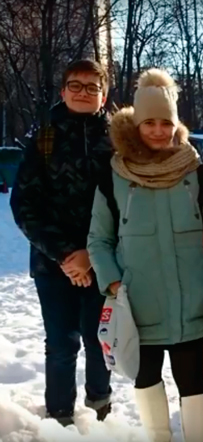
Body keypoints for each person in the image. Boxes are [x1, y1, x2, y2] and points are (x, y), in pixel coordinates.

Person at [87, 68, 203, 442]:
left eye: (166, 123)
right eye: (150, 123)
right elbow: (98, 239)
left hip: (190, 299)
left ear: (176, 125)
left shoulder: (195, 171)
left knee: (192, 379)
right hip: (138, 303)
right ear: (137, 124)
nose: (159, 131)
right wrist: (115, 284)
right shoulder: (114, 174)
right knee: (146, 377)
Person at [10, 59, 113, 426]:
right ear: (63, 91)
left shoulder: (119, 141)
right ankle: (59, 417)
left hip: (105, 261)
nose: (83, 92)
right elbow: (25, 204)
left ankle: (101, 409)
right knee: (60, 344)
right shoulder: (44, 139)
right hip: (53, 264)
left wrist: (93, 254)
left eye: (92, 87)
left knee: (101, 339)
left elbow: (126, 204)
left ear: (104, 95)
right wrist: (67, 255)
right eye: (76, 85)